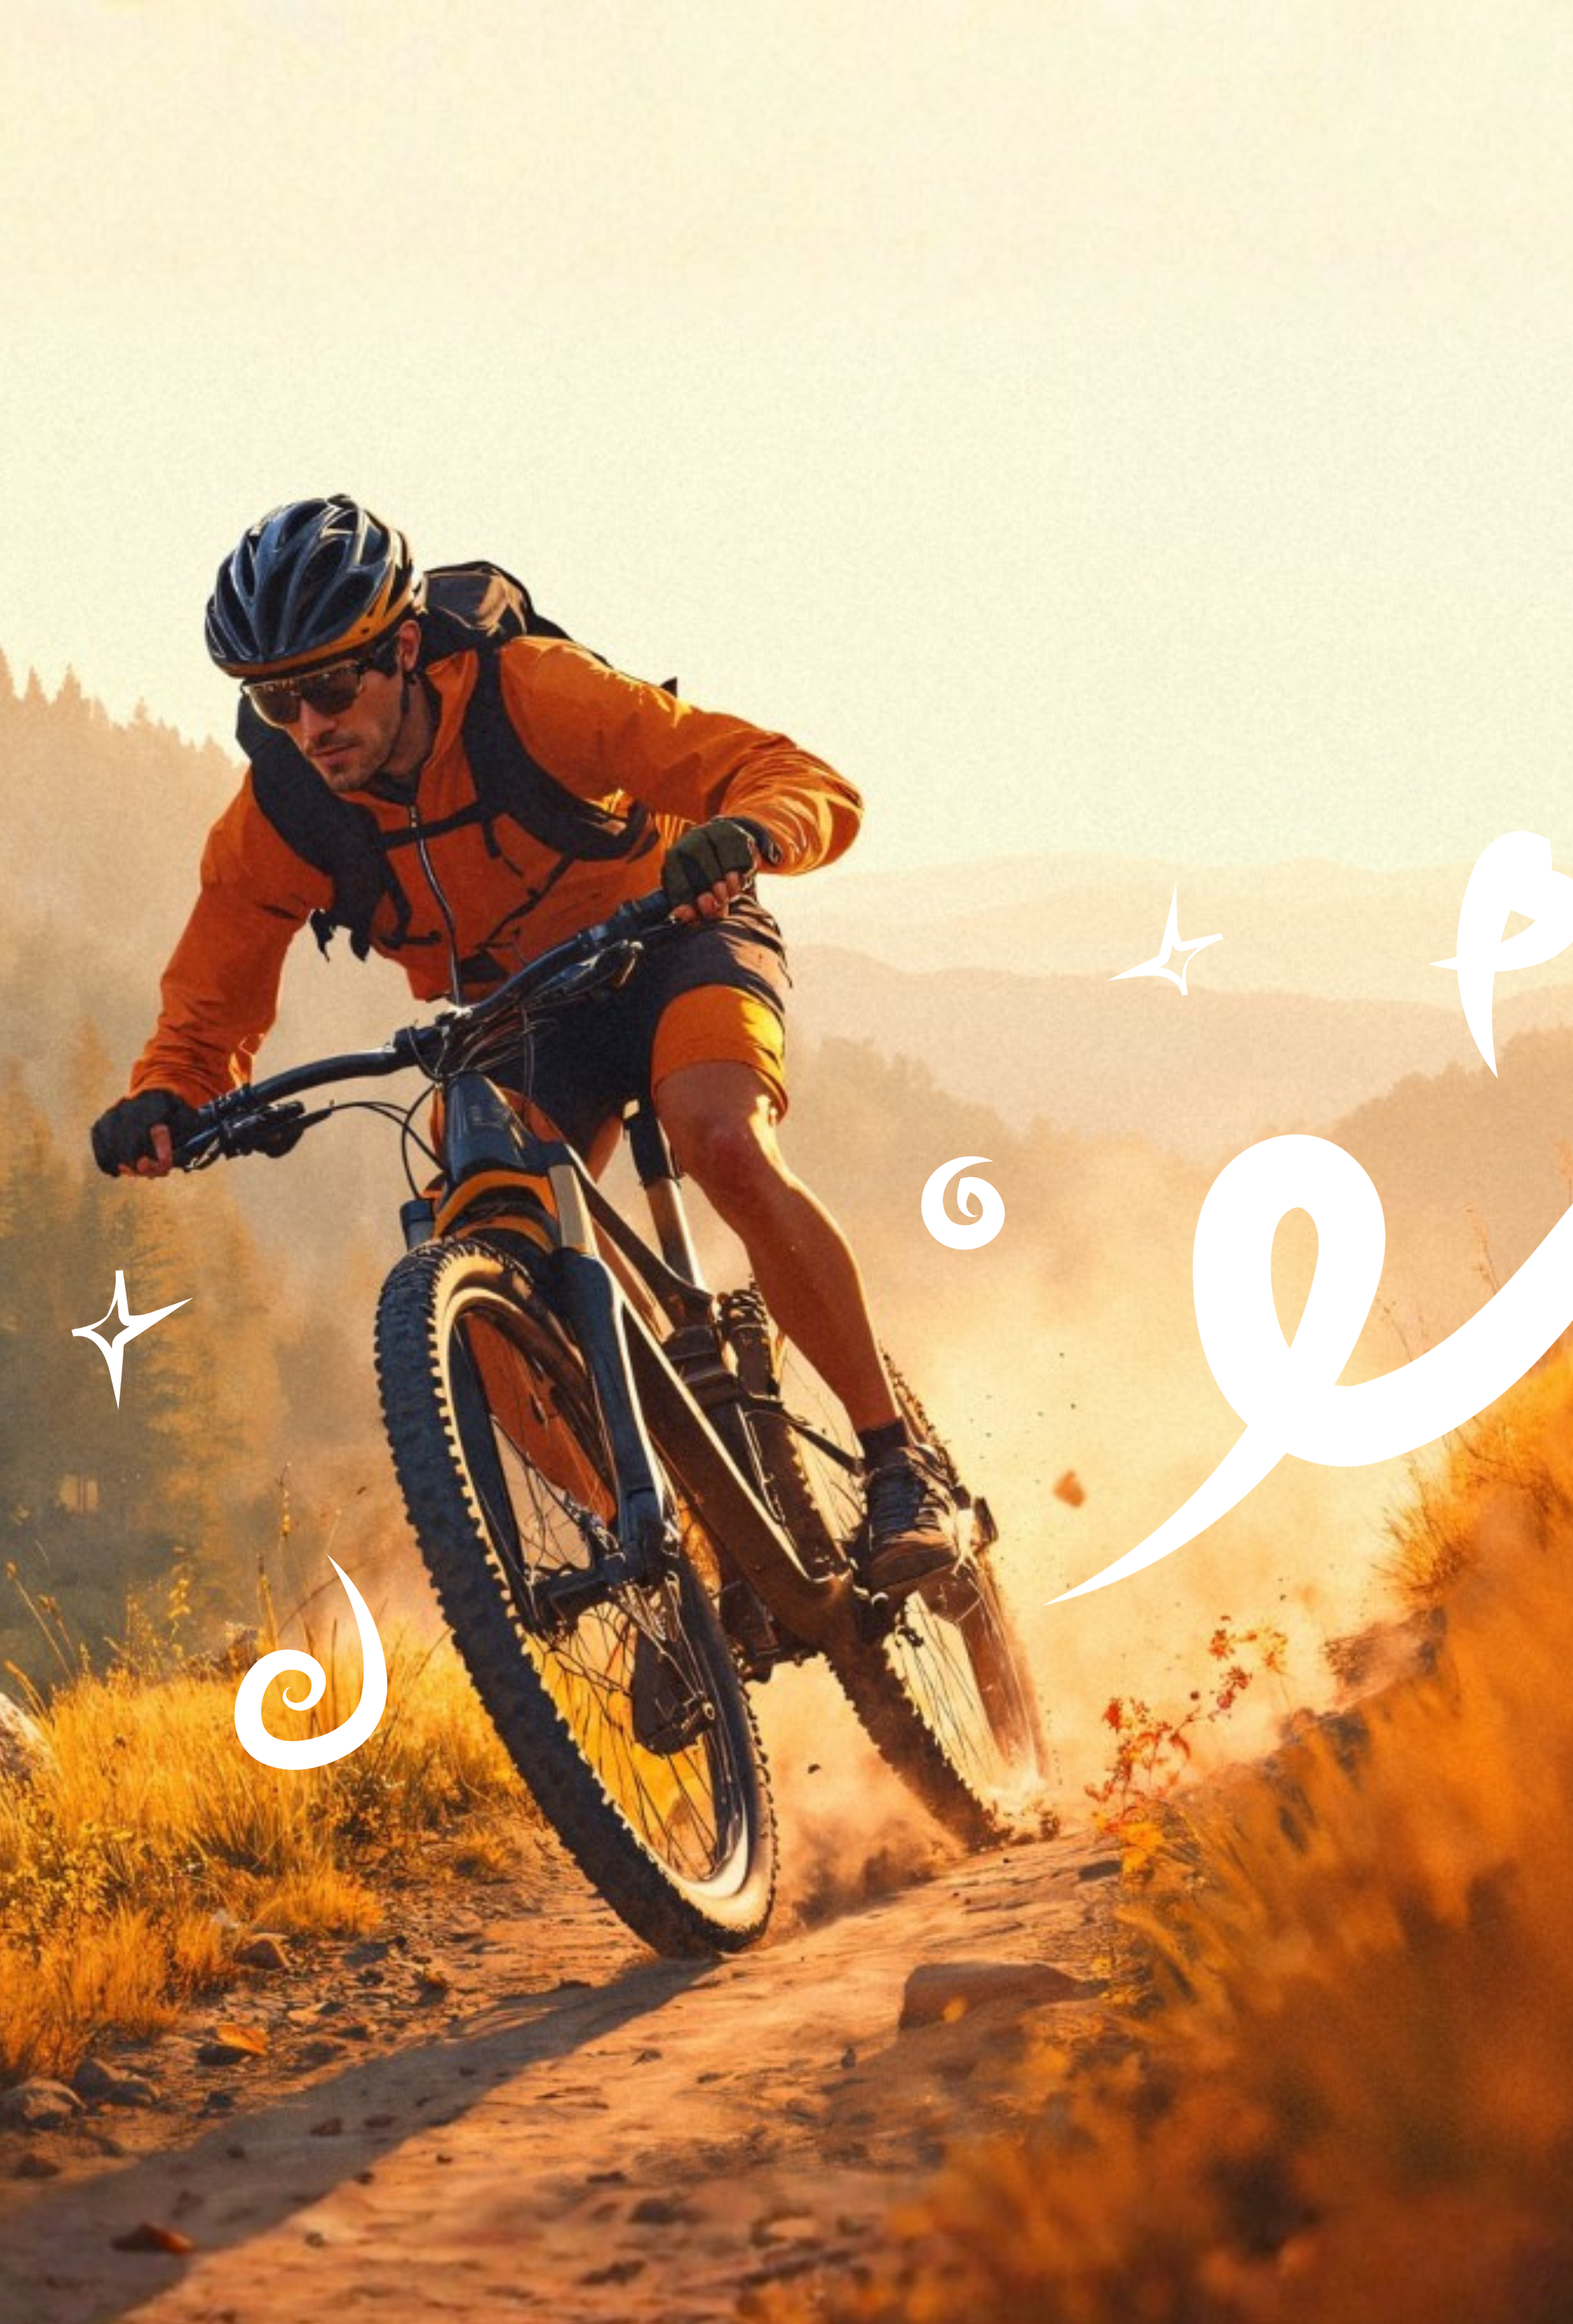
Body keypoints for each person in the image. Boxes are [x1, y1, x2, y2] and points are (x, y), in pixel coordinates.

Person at [90, 494, 959, 1591]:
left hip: (673, 938)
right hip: (517, 1016)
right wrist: (171, 1092)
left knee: (719, 1135)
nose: (308, 724)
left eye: (329, 685)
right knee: (484, 1261)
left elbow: (788, 774)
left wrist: (749, 833)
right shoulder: (282, 818)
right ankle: (664, 1557)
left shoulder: (535, 697)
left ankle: (897, 1465)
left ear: (404, 649)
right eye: (275, 699)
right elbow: (209, 1003)